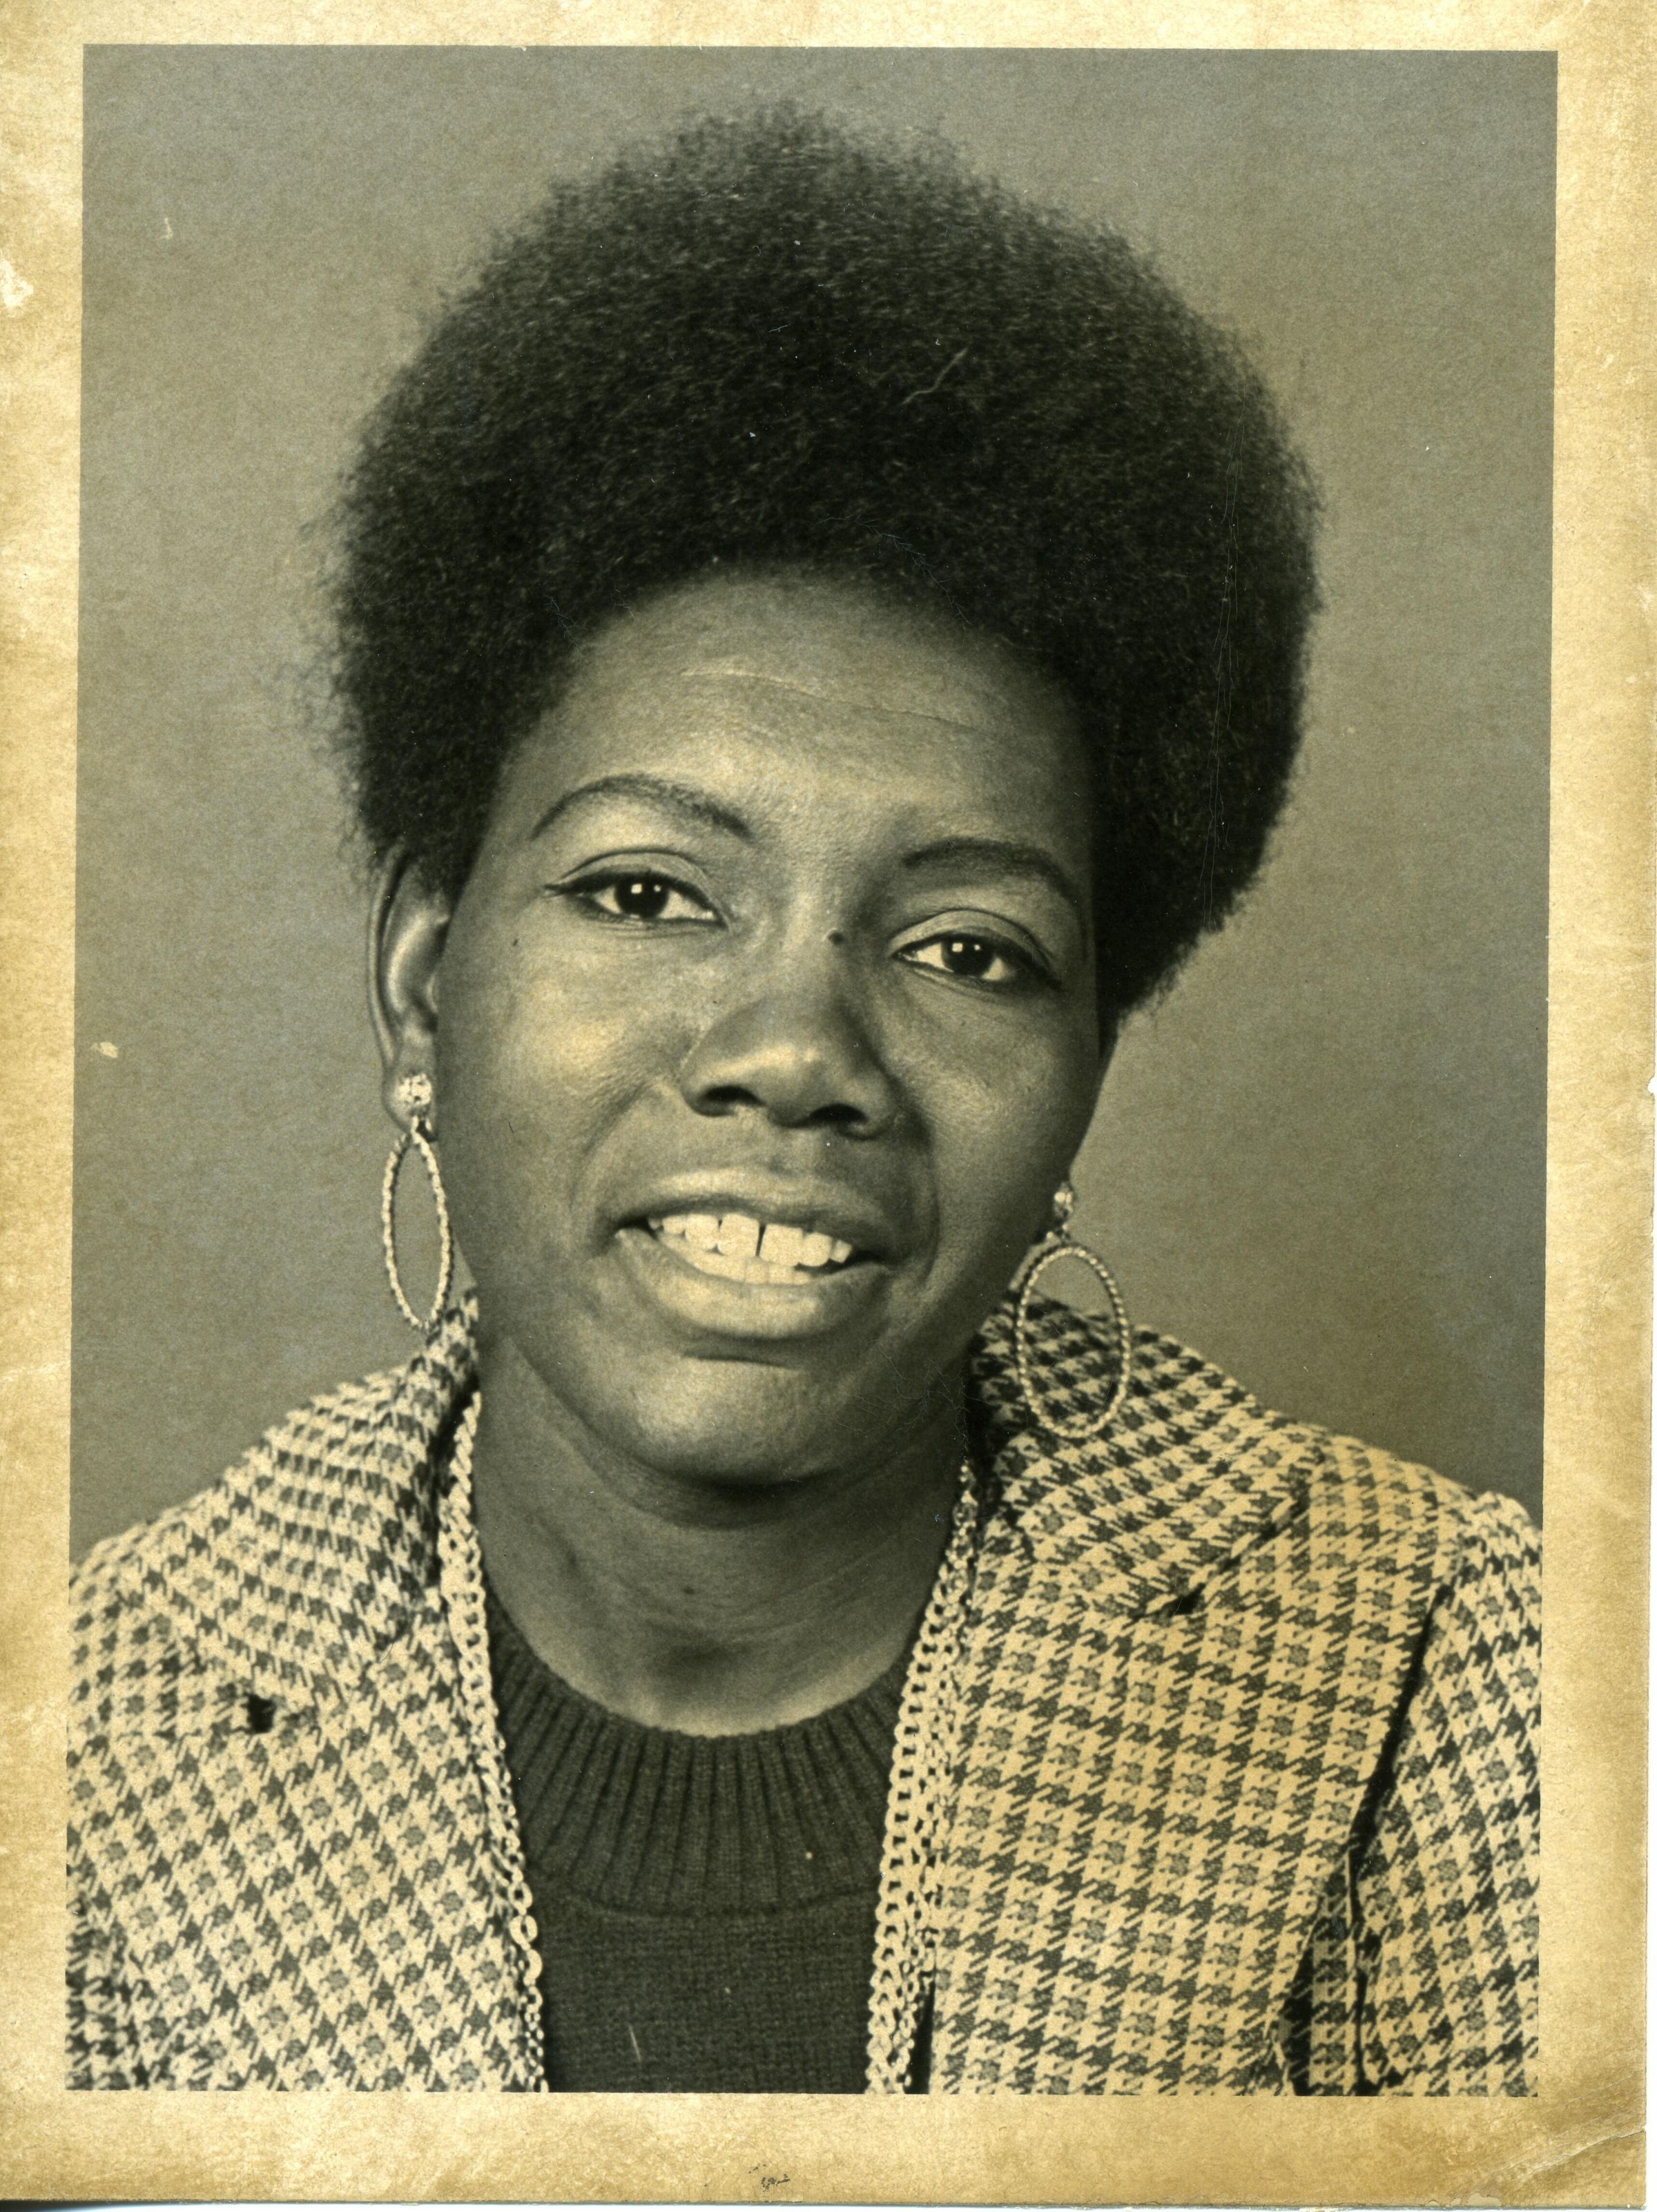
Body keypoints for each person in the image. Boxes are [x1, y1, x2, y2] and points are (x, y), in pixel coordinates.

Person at [67, 105, 1538, 2095]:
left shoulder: (1460, 1686)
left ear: (1088, 1069)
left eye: (970, 949)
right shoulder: (79, 1751)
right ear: (424, 970)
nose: (797, 1054)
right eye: (648, 893)